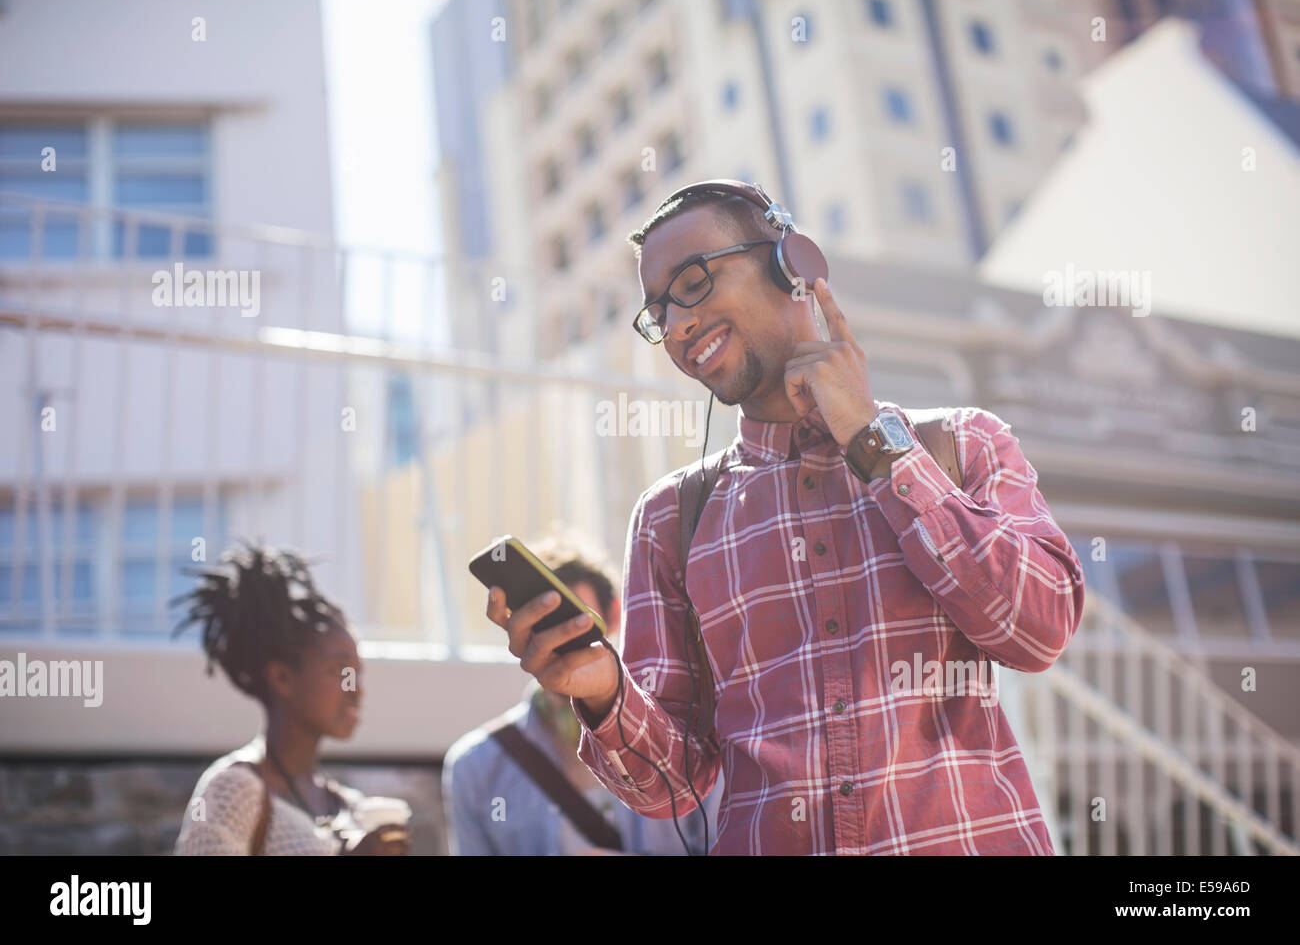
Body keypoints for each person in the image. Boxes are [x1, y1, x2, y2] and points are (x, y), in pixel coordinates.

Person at [484, 180, 1087, 855]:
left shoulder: (961, 443)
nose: (677, 325)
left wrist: (873, 440)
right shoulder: (670, 519)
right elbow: (671, 788)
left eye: (693, 282)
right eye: (658, 311)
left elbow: (1039, 631)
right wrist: (602, 695)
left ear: (791, 263)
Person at [444, 534, 720, 855]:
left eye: (576, 623)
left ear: (613, 616)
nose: (559, 640)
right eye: (543, 623)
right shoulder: (475, 766)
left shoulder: (685, 742)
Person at [173, 543, 410, 855]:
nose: (357, 688)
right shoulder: (234, 791)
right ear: (282, 678)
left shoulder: (349, 805)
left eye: (358, 672)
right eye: (339, 670)